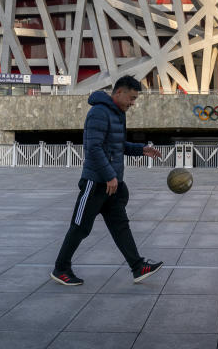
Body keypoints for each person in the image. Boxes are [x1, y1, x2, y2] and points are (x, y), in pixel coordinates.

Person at [51, 75, 164, 286]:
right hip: (95, 183)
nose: (133, 103)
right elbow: (93, 148)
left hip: (112, 185)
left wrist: (141, 149)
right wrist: (110, 175)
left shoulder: (117, 114)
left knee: (121, 226)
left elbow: (117, 146)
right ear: (119, 92)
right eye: (131, 98)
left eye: (135, 99)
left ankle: (138, 267)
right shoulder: (99, 112)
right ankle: (61, 268)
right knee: (80, 227)